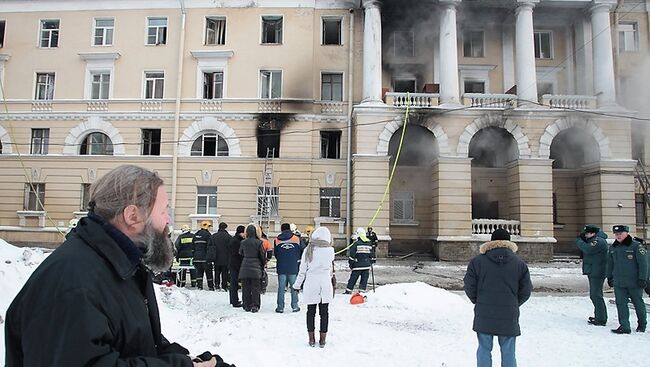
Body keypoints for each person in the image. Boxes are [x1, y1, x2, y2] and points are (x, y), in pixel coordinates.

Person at [5, 165, 230, 366]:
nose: (167, 220)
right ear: (132, 215)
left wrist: (185, 359)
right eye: (163, 211)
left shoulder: (122, 265)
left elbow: (136, 342)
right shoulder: (74, 285)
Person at [463, 228, 532, 367]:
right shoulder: (519, 264)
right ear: (509, 242)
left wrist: (478, 301)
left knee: (484, 348)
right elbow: (526, 290)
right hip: (509, 313)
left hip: (484, 311)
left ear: (491, 241)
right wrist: (513, 303)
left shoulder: (477, 262)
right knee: (508, 351)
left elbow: (469, 285)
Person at [293, 227, 335, 348]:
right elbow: (330, 270)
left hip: (311, 284)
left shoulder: (308, 250)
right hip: (325, 284)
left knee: (310, 312)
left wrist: (296, 285)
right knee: (324, 313)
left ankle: (311, 339)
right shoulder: (330, 251)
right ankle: (322, 340)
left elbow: (302, 271)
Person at [607, 224, 648, 334]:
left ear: (626, 233)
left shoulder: (636, 246)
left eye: (620, 234)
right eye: (616, 234)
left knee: (638, 303)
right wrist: (609, 276)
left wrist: (643, 279)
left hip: (634, 281)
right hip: (619, 282)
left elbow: (643, 264)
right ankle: (624, 326)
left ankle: (642, 324)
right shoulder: (613, 247)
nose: (618, 236)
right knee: (620, 304)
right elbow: (610, 263)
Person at [575, 224, 608, 326]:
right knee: (595, 294)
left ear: (593, 233)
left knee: (596, 295)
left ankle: (601, 319)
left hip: (597, 271)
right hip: (594, 270)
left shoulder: (598, 241)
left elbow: (588, 249)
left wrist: (579, 241)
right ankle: (599, 316)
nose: (586, 235)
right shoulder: (595, 240)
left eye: (587, 233)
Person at [274, 222, 303, 313]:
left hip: (281, 266)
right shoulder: (297, 239)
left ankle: (280, 307)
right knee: (294, 287)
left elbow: (276, 254)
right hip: (293, 266)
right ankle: (295, 306)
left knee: (281, 288)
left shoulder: (277, 240)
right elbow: (303, 250)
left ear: (282, 229)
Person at [239, 224, 266, 312]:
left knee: (245, 287)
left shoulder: (243, 242)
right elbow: (262, 255)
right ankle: (255, 305)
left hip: (245, 266)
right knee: (255, 288)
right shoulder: (259, 242)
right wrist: (262, 264)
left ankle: (246, 305)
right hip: (256, 267)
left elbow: (241, 253)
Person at [344, 227, 376, 294]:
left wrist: (351, 264)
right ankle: (362, 292)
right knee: (364, 280)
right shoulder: (369, 243)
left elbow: (352, 255)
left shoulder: (356, 244)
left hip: (357, 265)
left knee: (353, 279)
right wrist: (372, 261)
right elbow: (372, 254)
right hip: (366, 266)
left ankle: (348, 291)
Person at [210, 222, 232, 291]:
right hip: (226, 258)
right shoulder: (229, 237)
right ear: (225, 228)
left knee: (217, 272)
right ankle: (224, 286)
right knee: (225, 273)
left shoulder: (214, 236)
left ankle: (216, 285)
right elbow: (231, 248)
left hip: (216, 257)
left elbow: (211, 247)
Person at [193, 221, 214, 290]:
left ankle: (199, 287)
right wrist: (210, 258)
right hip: (205, 258)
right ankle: (210, 287)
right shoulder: (208, 235)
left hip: (196, 258)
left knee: (199, 273)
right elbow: (210, 248)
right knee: (209, 273)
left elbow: (192, 247)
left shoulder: (196, 235)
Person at [228, 225, 245, 307]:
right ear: (240, 232)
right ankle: (235, 301)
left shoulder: (234, 239)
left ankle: (233, 300)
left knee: (233, 283)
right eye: (243, 232)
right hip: (236, 265)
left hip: (232, 264)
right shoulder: (237, 241)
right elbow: (238, 255)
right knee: (234, 284)